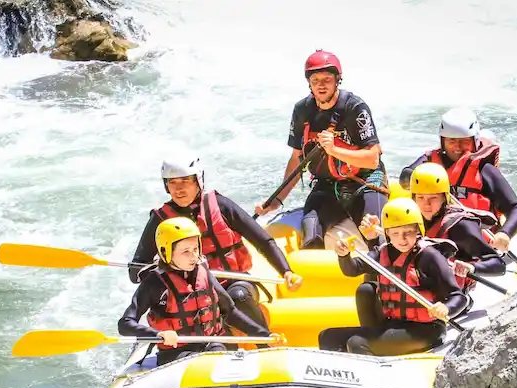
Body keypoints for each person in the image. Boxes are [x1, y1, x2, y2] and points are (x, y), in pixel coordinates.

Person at [130, 155, 303, 329]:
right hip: (187, 292)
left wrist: (286, 271)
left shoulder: (221, 206)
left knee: (238, 295)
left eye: (185, 181)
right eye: (172, 182)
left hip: (232, 281)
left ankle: (265, 341)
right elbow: (136, 270)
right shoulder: (160, 220)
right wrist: (166, 270)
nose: (179, 189)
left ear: (198, 181)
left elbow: (263, 242)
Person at [253, 50, 387, 250]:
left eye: (327, 79)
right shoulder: (302, 110)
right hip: (327, 185)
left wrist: (334, 150)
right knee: (311, 231)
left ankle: (378, 276)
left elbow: (372, 159)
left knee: (373, 232)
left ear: (337, 80)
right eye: (315, 80)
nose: (321, 85)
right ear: (309, 83)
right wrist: (277, 201)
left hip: (365, 181)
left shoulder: (355, 108)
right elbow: (297, 158)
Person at [317, 198, 467, 356]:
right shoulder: (383, 252)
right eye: (395, 233)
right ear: (387, 233)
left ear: (418, 230)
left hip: (427, 329)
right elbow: (352, 269)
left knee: (357, 343)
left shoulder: (429, 257)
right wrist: (344, 255)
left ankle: (373, 362)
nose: (402, 239)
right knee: (327, 337)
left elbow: (458, 297)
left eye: (408, 232)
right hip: (392, 325)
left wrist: (446, 307)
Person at [119, 218, 277, 366]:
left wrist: (262, 333)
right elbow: (125, 324)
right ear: (166, 251)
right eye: (186, 251)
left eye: (196, 249)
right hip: (177, 353)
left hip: (212, 343)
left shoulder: (203, 273)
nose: (194, 256)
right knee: (203, 362)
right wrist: (158, 334)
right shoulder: (154, 283)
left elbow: (229, 311)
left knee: (217, 354)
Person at [399, 107, 517, 252]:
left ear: (475, 140)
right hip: (433, 242)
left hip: (474, 245)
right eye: (451, 141)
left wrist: (505, 233)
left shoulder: (484, 170)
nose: (457, 147)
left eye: (464, 141)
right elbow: (405, 176)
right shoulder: (430, 162)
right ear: (443, 141)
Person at [408, 163, 507, 280]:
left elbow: (499, 265)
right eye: (420, 198)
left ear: (444, 197)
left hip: (453, 292)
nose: (426, 204)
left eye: (433, 198)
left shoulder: (461, 227)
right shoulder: (409, 219)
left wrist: (472, 268)